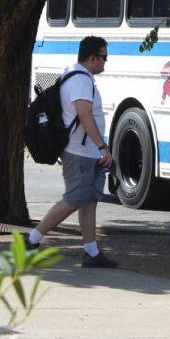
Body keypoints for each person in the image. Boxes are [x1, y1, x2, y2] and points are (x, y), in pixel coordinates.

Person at [26, 35, 118, 268]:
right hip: (80, 152)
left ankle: (91, 253)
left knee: (89, 201)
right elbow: (85, 116)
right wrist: (102, 147)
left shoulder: (80, 77)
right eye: (104, 57)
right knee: (75, 199)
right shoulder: (80, 80)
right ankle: (32, 239)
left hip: (89, 153)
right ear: (92, 57)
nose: (106, 62)